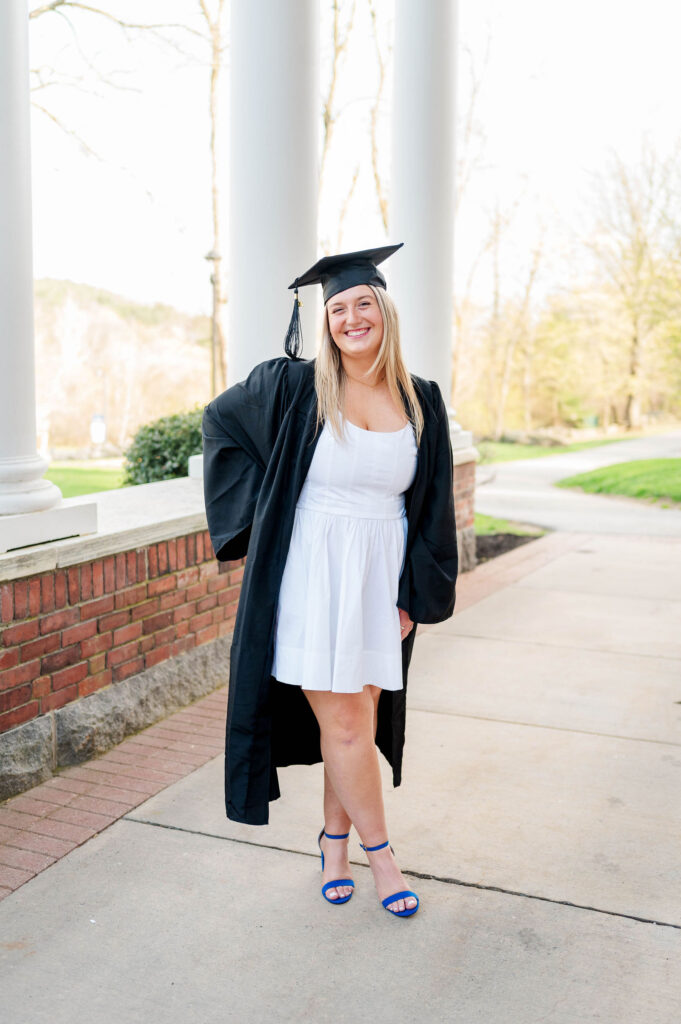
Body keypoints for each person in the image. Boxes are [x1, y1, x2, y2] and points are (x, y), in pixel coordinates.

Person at [201, 244, 458, 919]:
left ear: (384, 311)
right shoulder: (294, 387)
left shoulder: (420, 398)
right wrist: (259, 517)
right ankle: (383, 859)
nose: (349, 318)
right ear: (326, 322)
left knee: (356, 722)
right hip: (312, 575)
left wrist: (412, 593)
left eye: (361, 304)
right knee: (345, 727)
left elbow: (428, 504)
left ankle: (333, 843)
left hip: (379, 578)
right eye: (337, 308)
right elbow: (221, 422)